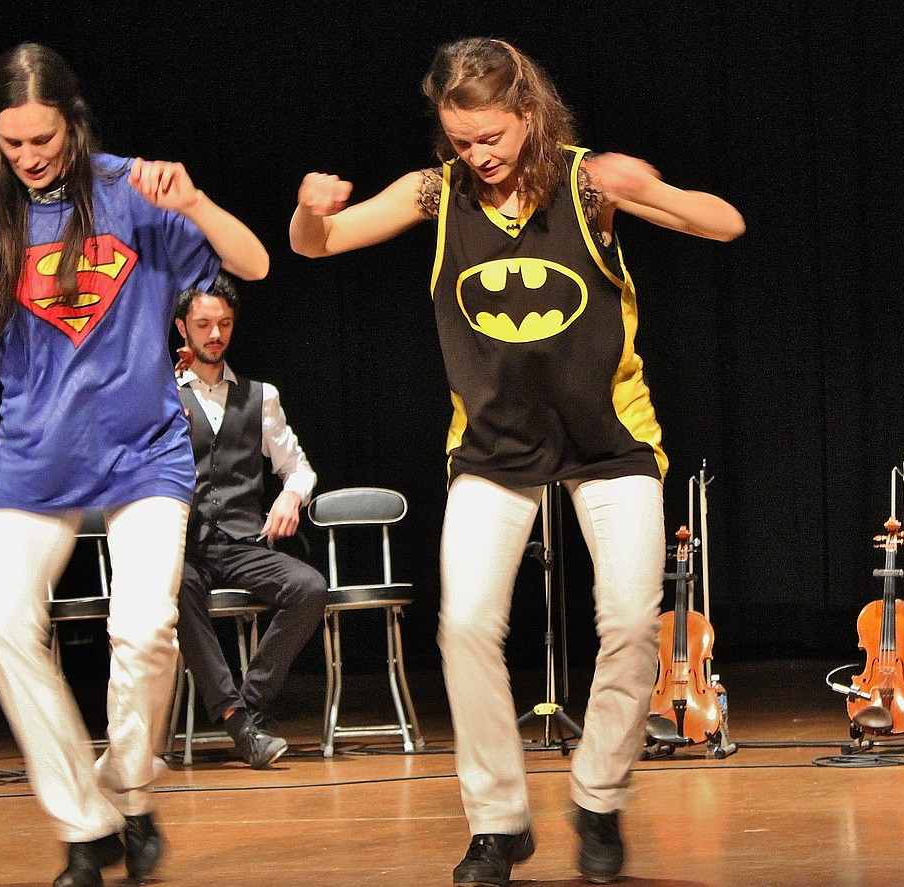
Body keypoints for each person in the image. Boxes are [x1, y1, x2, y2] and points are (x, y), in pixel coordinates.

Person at [289, 37, 744, 887]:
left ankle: (600, 793)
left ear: (528, 114)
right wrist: (311, 210)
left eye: (492, 137)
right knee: (463, 624)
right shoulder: (436, 193)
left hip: (611, 441)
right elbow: (318, 244)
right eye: (462, 141)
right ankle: (497, 822)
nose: (480, 156)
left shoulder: (587, 181)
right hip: (493, 450)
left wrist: (645, 192)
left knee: (632, 624)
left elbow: (725, 222)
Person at [0, 43, 268, 887]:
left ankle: (125, 789)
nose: (30, 156)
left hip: (144, 452)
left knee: (145, 631)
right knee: (1, 624)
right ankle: (87, 827)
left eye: (43, 138)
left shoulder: (133, 191)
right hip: (34, 461)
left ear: (73, 122)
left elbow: (253, 262)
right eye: (13, 144)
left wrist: (193, 200)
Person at [172, 272, 327, 768]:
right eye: (203, 325)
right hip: (184, 545)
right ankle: (240, 725)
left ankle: (246, 709)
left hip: (243, 541)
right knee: (177, 587)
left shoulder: (261, 396)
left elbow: (298, 466)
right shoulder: (161, 394)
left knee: (308, 587)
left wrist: (292, 495)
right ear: (183, 329)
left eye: (224, 324)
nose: (214, 335)